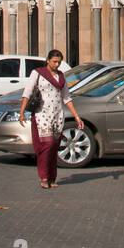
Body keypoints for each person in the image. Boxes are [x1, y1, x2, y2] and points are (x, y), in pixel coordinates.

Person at [17, 50, 82, 189]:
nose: (57, 64)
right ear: (48, 60)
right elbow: (27, 92)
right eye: (54, 62)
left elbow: (66, 97)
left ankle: (52, 178)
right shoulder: (38, 73)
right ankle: (44, 177)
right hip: (42, 114)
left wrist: (76, 116)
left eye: (59, 62)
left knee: (54, 147)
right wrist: (22, 112)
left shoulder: (61, 77)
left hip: (57, 115)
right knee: (47, 145)